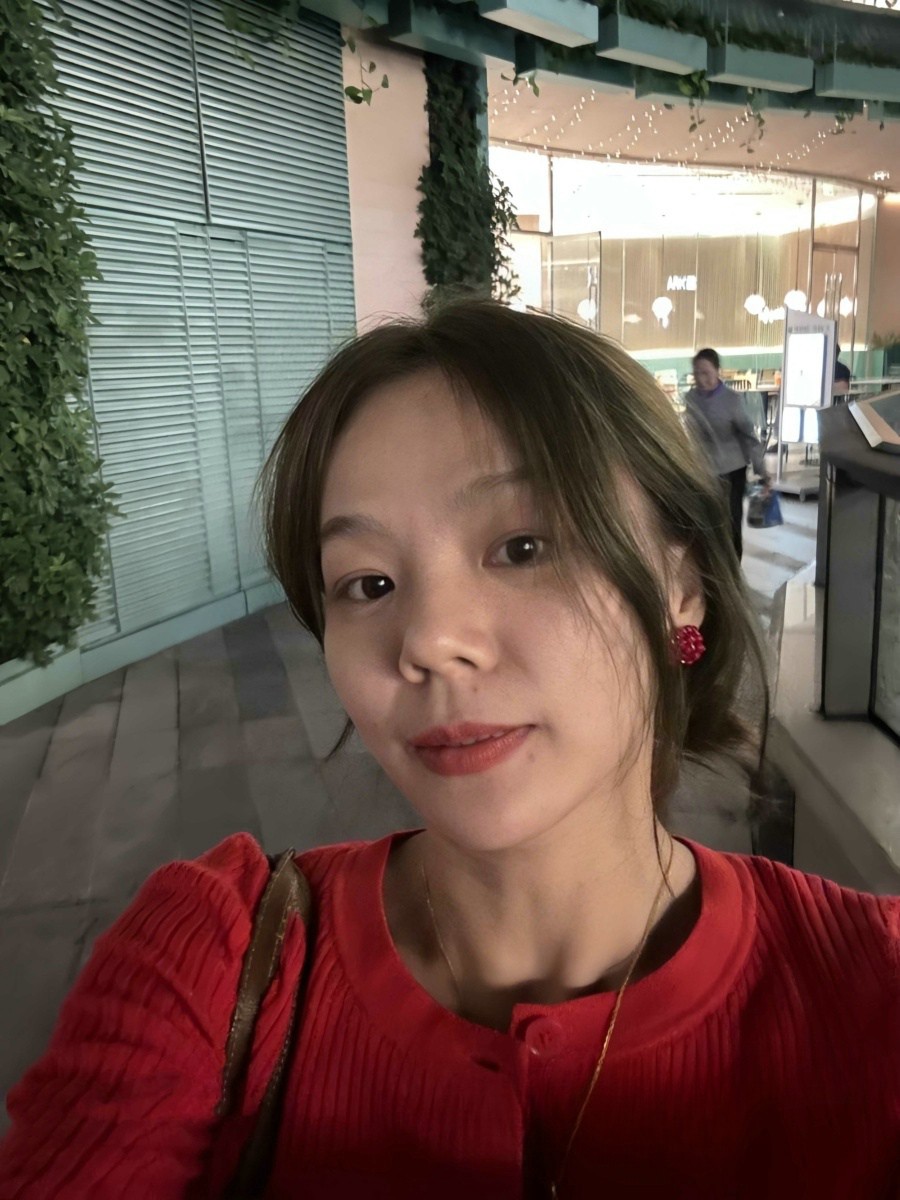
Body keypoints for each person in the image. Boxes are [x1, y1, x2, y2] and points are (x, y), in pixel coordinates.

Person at [1, 302, 897, 1199]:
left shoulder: (870, 991)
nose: (428, 640)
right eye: (369, 583)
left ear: (682, 584)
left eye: (522, 546)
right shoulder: (217, 956)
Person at [684, 348, 772, 560]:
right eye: (697, 373)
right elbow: (691, 433)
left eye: (706, 373)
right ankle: (713, 566)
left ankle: (733, 565)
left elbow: (749, 436)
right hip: (704, 470)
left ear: (718, 371)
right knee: (707, 522)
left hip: (732, 470)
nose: (701, 379)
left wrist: (762, 470)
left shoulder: (732, 400)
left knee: (732, 521)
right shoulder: (691, 398)